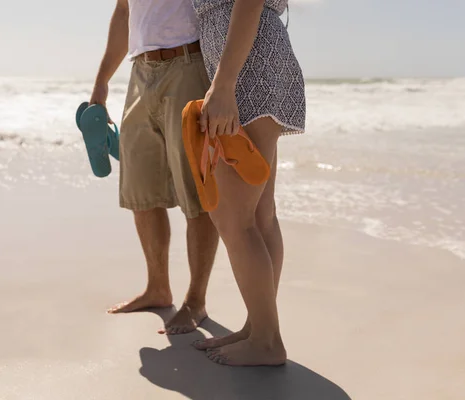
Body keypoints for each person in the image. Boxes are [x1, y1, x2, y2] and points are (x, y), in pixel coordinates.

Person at [90, 0, 220, 334]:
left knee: (196, 191)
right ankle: (158, 288)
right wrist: (102, 81)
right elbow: (124, 11)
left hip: (189, 63)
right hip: (140, 71)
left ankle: (196, 300)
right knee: (141, 189)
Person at [190, 0, 306, 365]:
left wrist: (223, 85)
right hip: (251, 62)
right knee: (258, 216)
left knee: (233, 217)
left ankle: (268, 342)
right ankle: (259, 328)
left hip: (247, 68)